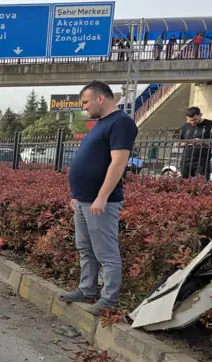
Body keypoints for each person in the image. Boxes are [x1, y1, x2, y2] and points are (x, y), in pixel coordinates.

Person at [58, 80, 137, 316]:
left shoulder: (121, 123)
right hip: (83, 200)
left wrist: (102, 197)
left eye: (85, 102)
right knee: (85, 248)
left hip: (101, 202)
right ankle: (87, 289)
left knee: (106, 252)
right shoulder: (102, 124)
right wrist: (76, 194)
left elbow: (119, 162)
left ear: (100, 98)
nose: (84, 107)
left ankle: (109, 300)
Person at [178, 107, 212, 180]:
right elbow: (179, 142)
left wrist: (202, 142)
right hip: (186, 160)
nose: (192, 122)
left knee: (201, 185)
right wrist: (187, 143)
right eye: (190, 120)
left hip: (202, 161)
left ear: (200, 115)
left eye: (195, 119)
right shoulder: (185, 126)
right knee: (184, 185)